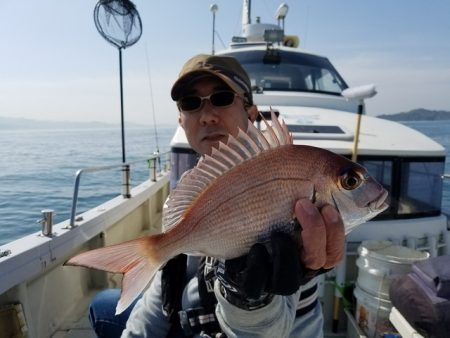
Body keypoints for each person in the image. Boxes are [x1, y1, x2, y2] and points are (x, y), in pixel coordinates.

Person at [88, 54, 345, 338]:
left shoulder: (301, 205)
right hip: (187, 315)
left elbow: (282, 331)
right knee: (104, 304)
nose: (207, 115)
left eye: (222, 98)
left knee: (105, 305)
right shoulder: (185, 194)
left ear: (250, 113)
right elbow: (160, 299)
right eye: (191, 103)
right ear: (181, 120)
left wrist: (251, 302)